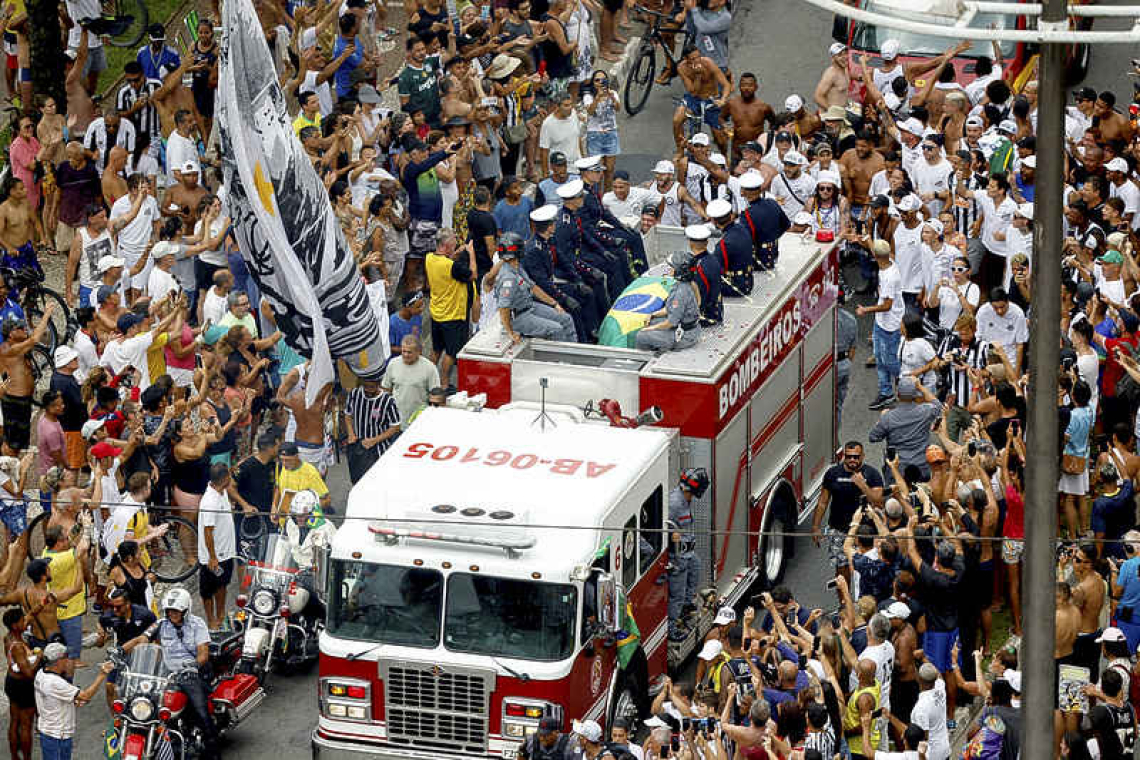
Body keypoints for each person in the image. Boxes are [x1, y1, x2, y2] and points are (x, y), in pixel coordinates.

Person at [123, 588, 219, 760]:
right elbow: (142, 640)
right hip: (165, 674)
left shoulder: (198, 624)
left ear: (185, 610)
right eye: (169, 610)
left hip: (190, 673)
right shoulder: (160, 624)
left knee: (201, 711)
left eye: (176, 611)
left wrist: (192, 665)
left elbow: (203, 654)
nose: (172, 614)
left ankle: (213, 751)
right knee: (136, 702)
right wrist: (119, 651)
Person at [813, 441, 884, 580]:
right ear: (844, 456)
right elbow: (822, 502)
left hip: (865, 531)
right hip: (838, 530)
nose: (852, 460)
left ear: (862, 456)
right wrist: (816, 526)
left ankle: (864, 600)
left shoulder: (872, 474)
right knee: (841, 570)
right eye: (849, 456)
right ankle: (844, 602)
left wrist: (862, 485)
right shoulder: (832, 473)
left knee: (866, 568)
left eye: (856, 457)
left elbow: (879, 502)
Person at [33, 643, 113, 760]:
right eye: (66, 657)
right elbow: (85, 696)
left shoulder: (41, 674)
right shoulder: (56, 682)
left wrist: (73, 702)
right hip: (58, 736)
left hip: (48, 732)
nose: (69, 660)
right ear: (59, 661)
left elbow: (53, 698)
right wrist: (102, 675)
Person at [494, 233, 577, 344]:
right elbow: (503, 308)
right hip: (518, 318)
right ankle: (560, 360)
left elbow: (533, 288)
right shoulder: (508, 277)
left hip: (530, 307)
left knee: (566, 319)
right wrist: (511, 333)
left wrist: (554, 304)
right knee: (556, 329)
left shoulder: (517, 268)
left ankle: (572, 354)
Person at [857, 239, 905, 410]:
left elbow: (887, 305)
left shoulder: (890, 278)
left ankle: (906, 380)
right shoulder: (888, 261)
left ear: (876, 257)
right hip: (881, 322)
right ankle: (886, 393)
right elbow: (877, 252)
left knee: (889, 360)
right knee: (879, 357)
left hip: (891, 325)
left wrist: (865, 310)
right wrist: (868, 241)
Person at [425, 229, 476, 386]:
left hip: (436, 312)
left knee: (436, 349)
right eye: (454, 243)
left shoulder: (429, 258)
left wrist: (455, 255)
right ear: (446, 245)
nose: (456, 245)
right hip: (453, 315)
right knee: (451, 353)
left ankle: (427, 380)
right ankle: (445, 383)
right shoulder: (452, 267)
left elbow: (446, 263)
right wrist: (471, 253)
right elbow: (473, 274)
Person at [94, 586, 156, 707]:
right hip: (120, 652)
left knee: (142, 688)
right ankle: (116, 719)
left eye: (118, 606)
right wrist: (101, 632)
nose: (115, 610)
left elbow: (157, 631)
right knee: (110, 686)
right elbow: (100, 628)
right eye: (112, 606)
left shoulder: (144, 615)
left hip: (142, 653)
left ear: (127, 604)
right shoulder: (109, 616)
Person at [667, 467, 708, 641]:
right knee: (677, 594)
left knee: (695, 572)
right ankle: (671, 629)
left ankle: (685, 609)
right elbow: (662, 529)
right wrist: (671, 537)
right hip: (678, 557)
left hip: (689, 554)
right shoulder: (674, 503)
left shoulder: (685, 499)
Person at [636, 251, 701, 354]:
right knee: (651, 321)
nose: (668, 269)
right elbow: (669, 308)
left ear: (679, 271)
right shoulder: (683, 284)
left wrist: (651, 329)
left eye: (672, 267)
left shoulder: (680, 293)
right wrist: (652, 314)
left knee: (641, 336)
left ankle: (651, 357)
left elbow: (671, 323)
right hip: (687, 327)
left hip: (685, 336)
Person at [198, 463, 237, 630]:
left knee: (222, 585)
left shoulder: (222, 491)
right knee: (208, 590)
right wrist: (212, 557)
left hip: (226, 553)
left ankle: (221, 614)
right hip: (213, 557)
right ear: (224, 479)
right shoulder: (210, 501)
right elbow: (208, 532)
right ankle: (211, 620)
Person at [344, 379, 401, 483]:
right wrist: (350, 433)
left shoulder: (388, 400)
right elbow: (348, 414)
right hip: (357, 447)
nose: (368, 390)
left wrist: (374, 440)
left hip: (378, 450)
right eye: (365, 386)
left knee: (376, 482)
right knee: (357, 481)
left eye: (372, 387)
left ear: (378, 385)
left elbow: (396, 427)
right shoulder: (354, 394)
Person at [3, 606, 37, 760]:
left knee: (14, 720)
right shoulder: (18, 646)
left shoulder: (8, 637)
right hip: (22, 686)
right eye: (22, 621)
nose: (26, 622)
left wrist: (42, 603)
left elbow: (30, 615)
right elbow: (28, 672)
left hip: (11, 681)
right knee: (26, 724)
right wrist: (40, 657)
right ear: (15, 625)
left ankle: (14, 756)